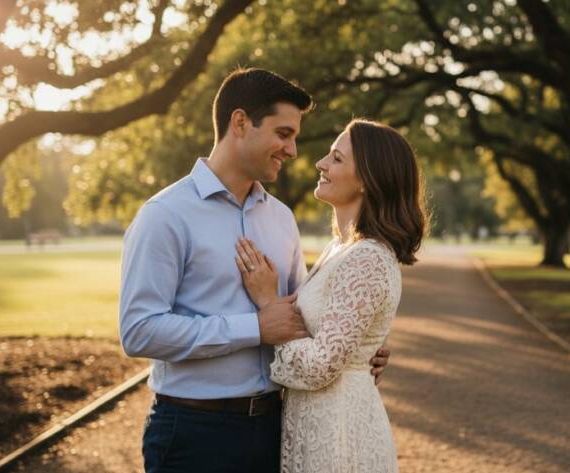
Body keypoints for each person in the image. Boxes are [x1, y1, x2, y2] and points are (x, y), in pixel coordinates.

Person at [119, 69, 391, 473]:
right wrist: (255, 328)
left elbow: (301, 316)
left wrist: (354, 342)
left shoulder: (281, 218)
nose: (293, 150)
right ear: (241, 123)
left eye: (295, 136)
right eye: (283, 134)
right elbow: (139, 330)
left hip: (273, 428)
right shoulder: (165, 215)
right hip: (194, 433)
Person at [235, 119, 427, 472]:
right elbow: (335, 338)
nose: (320, 163)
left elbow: (320, 366)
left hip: (340, 434)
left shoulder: (367, 257)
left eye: (336, 159)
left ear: (368, 180)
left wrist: (269, 305)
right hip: (318, 422)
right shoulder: (339, 248)